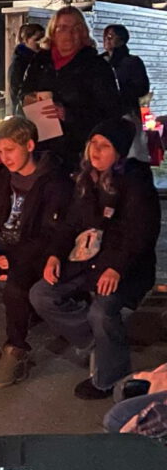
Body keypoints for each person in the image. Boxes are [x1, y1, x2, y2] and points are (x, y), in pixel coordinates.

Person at [29, 118, 160, 400]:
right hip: (85, 261)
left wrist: (116, 267)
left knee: (101, 312)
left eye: (105, 146)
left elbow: (140, 235)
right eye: (93, 144)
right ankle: (98, 345)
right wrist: (54, 255)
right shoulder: (86, 179)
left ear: (120, 153)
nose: (96, 151)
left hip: (125, 268)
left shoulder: (136, 184)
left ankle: (107, 378)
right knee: (41, 294)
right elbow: (70, 225)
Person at [0, 117, 73, 388]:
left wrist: (14, 257)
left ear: (29, 145)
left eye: (10, 150)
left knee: (16, 290)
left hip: (31, 251)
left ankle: (16, 350)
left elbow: (50, 233)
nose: (4, 157)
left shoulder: (53, 181)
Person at [18, 6, 121, 166]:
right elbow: (23, 92)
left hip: (79, 151)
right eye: (63, 28)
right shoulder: (40, 62)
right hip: (42, 148)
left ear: (84, 33)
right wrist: (30, 100)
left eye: (76, 28)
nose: (69, 33)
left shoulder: (96, 66)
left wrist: (68, 114)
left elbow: (111, 111)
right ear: (52, 32)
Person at [102, 24, 150, 161]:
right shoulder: (100, 61)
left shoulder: (132, 62)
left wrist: (120, 92)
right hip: (104, 114)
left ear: (122, 40)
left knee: (131, 153)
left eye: (111, 36)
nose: (106, 39)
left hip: (126, 112)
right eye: (105, 36)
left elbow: (142, 88)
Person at [8, 23, 45, 112]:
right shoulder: (19, 62)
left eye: (43, 39)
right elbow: (16, 89)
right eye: (37, 39)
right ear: (26, 40)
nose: (40, 42)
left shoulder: (41, 58)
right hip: (27, 109)